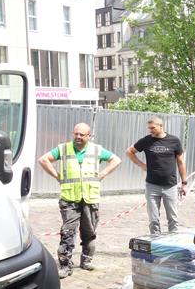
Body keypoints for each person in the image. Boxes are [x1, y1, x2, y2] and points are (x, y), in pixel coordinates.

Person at [38, 123, 121, 278]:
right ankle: (65, 265)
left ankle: (86, 260)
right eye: (76, 134)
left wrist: (103, 174)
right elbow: (43, 160)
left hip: (90, 197)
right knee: (68, 232)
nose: (78, 137)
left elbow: (116, 160)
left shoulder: (96, 150)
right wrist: (56, 176)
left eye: (82, 135)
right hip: (69, 198)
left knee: (89, 232)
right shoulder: (63, 149)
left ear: (89, 136)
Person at [126, 116, 187, 235]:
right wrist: (141, 165)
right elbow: (129, 152)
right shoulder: (146, 140)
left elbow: (180, 162)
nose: (150, 130)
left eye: (153, 128)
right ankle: (155, 242)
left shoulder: (174, 140)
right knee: (153, 220)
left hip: (170, 186)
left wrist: (184, 183)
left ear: (161, 126)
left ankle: (173, 241)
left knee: (173, 219)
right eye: (149, 128)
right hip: (152, 186)